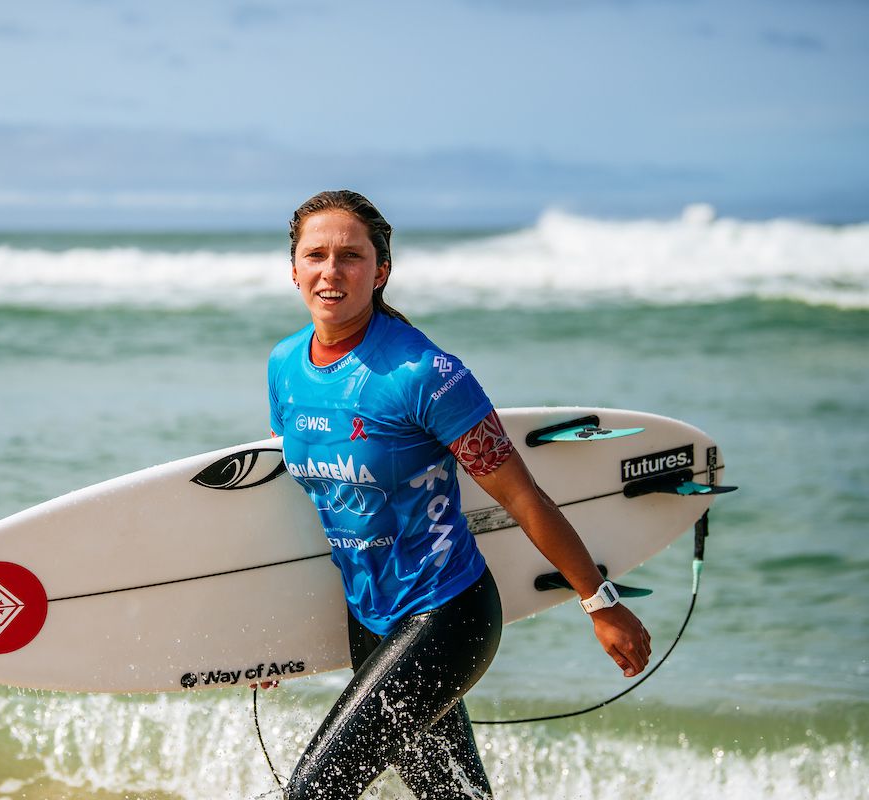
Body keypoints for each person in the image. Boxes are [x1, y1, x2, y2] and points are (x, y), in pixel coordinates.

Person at [266, 190, 651, 799]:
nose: (331, 272)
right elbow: (308, 504)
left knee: (314, 789)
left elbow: (523, 497)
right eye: (315, 255)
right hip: (368, 616)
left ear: (380, 270)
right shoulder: (285, 365)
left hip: (446, 616)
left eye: (351, 256)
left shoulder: (424, 374)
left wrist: (598, 602)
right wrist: (267, 640)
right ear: (293, 268)